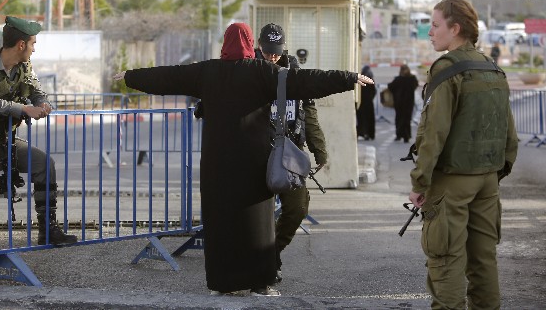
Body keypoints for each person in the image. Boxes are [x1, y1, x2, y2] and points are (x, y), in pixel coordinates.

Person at [113, 22, 373, 296]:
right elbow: (306, 80)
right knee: (256, 227)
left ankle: (221, 284)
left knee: (221, 225)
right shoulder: (262, 72)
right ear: (251, 44)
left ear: (225, 43)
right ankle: (261, 283)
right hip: (253, 163)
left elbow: (167, 77)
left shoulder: (206, 71)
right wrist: (348, 77)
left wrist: (131, 76)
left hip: (217, 165)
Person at [408, 0, 518, 309]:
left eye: (436, 24)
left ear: (455, 28)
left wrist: (420, 182)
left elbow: (434, 133)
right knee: (484, 261)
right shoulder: (492, 69)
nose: (430, 31)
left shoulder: (447, 69)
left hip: (452, 182)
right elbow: (510, 135)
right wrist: (496, 173)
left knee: (445, 260)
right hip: (487, 181)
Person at [0, 16, 78, 278]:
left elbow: (38, 93)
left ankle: (47, 229)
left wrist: (43, 105)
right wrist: (23, 108)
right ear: (20, 44)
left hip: (2, 139)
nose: (34, 48)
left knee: (44, 164)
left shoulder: (24, 67)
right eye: (32, 43)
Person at [254, 23, 327, 284]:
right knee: (253, 216)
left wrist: (320, 150)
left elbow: (309, 114)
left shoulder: (294, 73)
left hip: (289, 154)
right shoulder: (249, 71)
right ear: (259, 46)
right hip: (257, 153)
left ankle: (272, 252)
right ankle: (258, 264)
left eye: (276, 52)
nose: (271, 56)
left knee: (297, 208)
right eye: (267, 51)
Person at [387, 64, 418, 143]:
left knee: (399, 118)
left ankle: (399, 135)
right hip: (409, 103)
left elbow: (390, 87)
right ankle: (406, 136)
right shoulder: (412, 79)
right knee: (407, 119)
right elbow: (415, 86)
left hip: (399, 103)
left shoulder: (398, 79)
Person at [356, 65, 376, 141]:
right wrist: (371, 98)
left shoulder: (360, 79)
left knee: (361, 119)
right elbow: (374, 91)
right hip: (369, 103)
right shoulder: (371, 79)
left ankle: (362, 132)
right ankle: (370, 134)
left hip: (361, 102)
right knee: (369, 119)